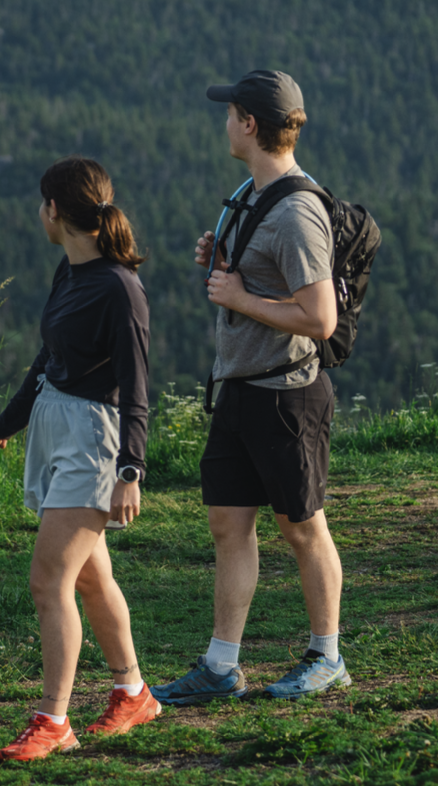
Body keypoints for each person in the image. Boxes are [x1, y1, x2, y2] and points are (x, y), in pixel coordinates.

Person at [151, 69, 350, 705]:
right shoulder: (251, 193)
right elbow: (265, 284)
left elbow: (320, 319)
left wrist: (240, 294)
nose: (224, 122)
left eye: (230, 113)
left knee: (302, 526)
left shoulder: (295, 211)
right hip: (240, 389)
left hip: (287, 395)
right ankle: (221, 666)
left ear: (249, 124)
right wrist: (226, 261)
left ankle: (327, 657)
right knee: (228, 525)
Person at [0, 156, 161, 761]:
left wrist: (130, 470)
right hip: (57, 425)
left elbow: (137, 385)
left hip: (92, 439)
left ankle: (53, 721)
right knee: (89, 575)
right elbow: (46, 358)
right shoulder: (71, 272)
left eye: (41, 204)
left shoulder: (118, 287)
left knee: (48, 580)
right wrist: (8, 422)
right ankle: (133, 692)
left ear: (54, 210)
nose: (39, 213)